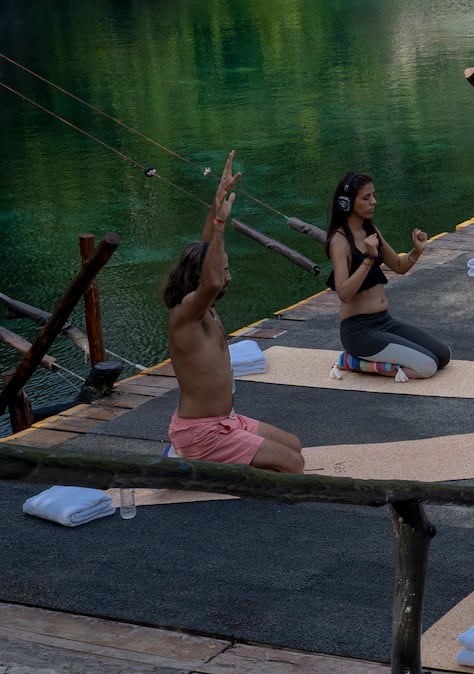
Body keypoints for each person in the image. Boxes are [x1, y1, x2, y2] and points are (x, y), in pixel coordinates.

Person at [166, 153, 304, 471]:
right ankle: (188, 460)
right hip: (201, 433)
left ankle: (217, 458)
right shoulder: (186, 313)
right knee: (292, 465)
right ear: (203, 278)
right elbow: (212, 280)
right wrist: (219, 225)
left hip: (226, 421)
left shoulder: (203, 306)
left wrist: (218, 199)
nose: (228, 276)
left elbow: (206, 252)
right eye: (224, 270)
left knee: (293, 445)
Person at [326, 170, 449, 376]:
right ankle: (354, 362)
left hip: (384, 322)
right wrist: (368, 259)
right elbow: (343, 293)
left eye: (373, 195)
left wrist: (416, 251)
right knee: (427, 367)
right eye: (366, 198)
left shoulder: (370, 229)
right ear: (346, 203)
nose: (374, 201)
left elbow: (400, 266)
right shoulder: (339, 241)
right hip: (358, 331)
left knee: (442, 355)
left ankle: (367, 359)